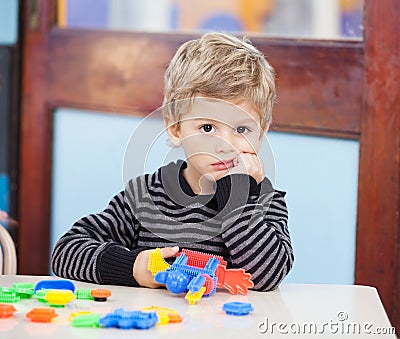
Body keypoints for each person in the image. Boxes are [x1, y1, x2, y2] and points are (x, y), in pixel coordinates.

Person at [51, 32, 293, 291]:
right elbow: (66, 251)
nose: (225, 146)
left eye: (242, 130)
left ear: (262, 132)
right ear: (176, 129)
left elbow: (267, 277)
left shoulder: (264, 200)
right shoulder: (146, 196)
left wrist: (237, 196)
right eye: (208, 128)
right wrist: (132, 267)